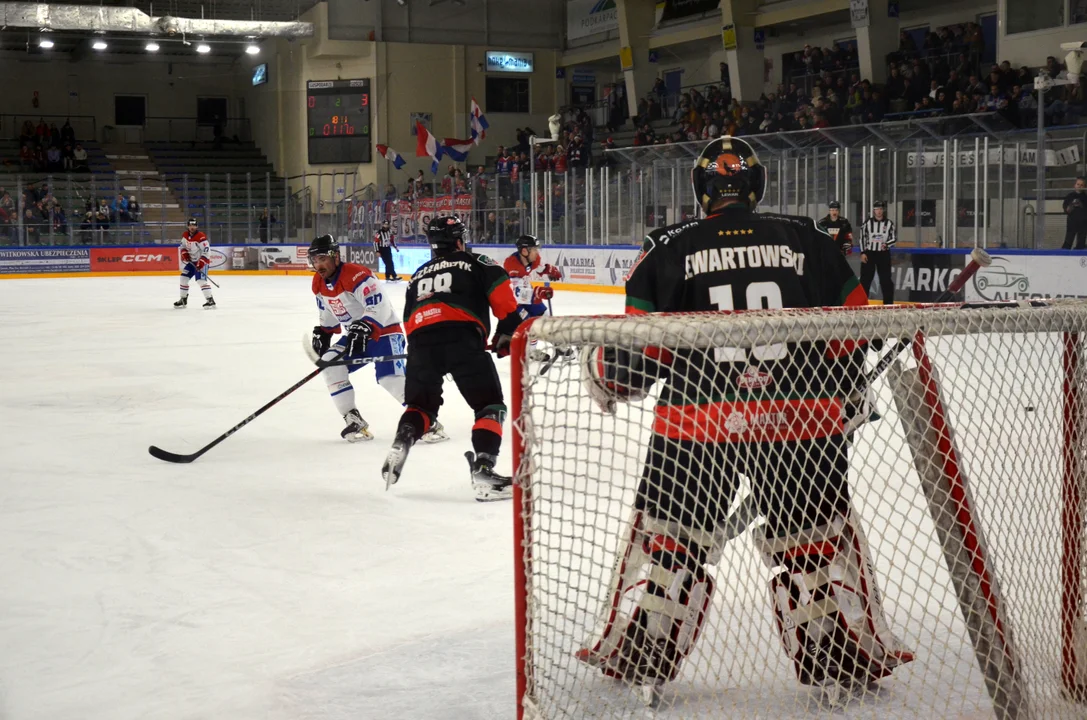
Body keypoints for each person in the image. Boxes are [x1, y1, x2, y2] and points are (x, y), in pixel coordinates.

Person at [576, 136, 912, 700]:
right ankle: (836, 646)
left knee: (671, 542)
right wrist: (844, 388)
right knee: (812, 541)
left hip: (696, 422)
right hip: (801, 419)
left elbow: (638, 359)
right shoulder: (811, 239)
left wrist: (599, 369)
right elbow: (853, 336)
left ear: (701, 189)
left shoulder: (666, 247)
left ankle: (646, 646)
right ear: (755, 186)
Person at [380, 216, 522, 501]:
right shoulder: (477, 261)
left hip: (420, 344)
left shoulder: (417, 275)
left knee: (421, 406)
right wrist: (507, 333)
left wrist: (424, 351)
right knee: (489, 406)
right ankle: (484, 470)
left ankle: (403, 439)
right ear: (459, 240)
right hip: (462, 338)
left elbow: (410, 319)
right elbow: (505, 304)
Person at [308, 235, 447, 443]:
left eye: (322, 259)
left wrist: (365, 325)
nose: (318, 265)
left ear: (335, 257)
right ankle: (353, 419)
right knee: (329, 364)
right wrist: (324, 331)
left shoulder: (357, 275)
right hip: (356, 336)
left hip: (384, 332)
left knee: (389, 378)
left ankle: (428, 421)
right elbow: (328, 310)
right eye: (315, 260)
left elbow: (379, 305)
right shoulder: (318, 283)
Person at [502, 235, 563, 361]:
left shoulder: (532, 259)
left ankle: (559, 345)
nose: (537, 252)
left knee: (545, 316)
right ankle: (531, 351)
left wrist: (548, 269)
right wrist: (537, 293)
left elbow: (539, 267)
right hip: (512, 302)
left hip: (525, 290)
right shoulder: (512, 265)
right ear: (524, 251)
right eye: (534, 249)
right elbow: (517, 294)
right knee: (531, 324)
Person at [858, 200, 896, 304]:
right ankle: (862, 303)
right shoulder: (867, 223)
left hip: (883, 254)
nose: (879, 211)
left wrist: (887, 244)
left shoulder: (889, 223)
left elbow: (894, 238)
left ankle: (888, 304)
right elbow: (862, 238)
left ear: (883, 210)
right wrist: (863, 252)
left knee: (886, 279)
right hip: (870, 253)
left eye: (880, 209)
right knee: (865, 279)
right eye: (876, 209)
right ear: (873, 210)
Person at [174, 217, 216, 309]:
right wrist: (184, 253)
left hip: (201, 262)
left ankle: (210, 300)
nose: (192, 227)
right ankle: (183, 299)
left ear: (197, 226)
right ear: (188, 226)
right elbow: (182, 246)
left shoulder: (201, 237)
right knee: (183, 278)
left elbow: (207, 251)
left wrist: (201, 262)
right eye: (190, 225)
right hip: (191, 262)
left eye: (194, 225)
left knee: (201, 280)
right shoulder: (185, 235)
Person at [1063, 177, 1087, 250]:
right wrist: (1072, 205)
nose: (1079, 186)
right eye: (1078, 184)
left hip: (1083, 223)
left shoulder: (1085, 197)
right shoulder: (1069, 196)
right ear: (1074, 185)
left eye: (1082, 185)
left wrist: (1081, 205)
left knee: (1081, 242)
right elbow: (1066, 209)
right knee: (1068, 240)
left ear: (1085, 187)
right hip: (1072, 222)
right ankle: (1064, 254)